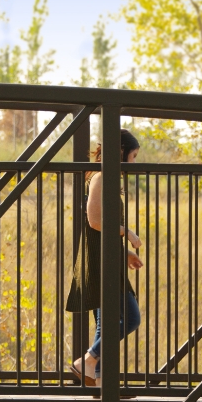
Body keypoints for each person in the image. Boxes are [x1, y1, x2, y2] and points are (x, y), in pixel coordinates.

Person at [67, 128, 144, 386]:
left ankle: (101, 388)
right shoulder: (101, 178)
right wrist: (127, 232)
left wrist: (125, 253)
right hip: (101, 261)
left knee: (106, 324)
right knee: (131, 318)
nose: (134, 162)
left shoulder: (108, 178)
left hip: (109, 256)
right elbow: (95, 221)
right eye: (133, 156)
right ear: (121, 151)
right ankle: (86, 361)